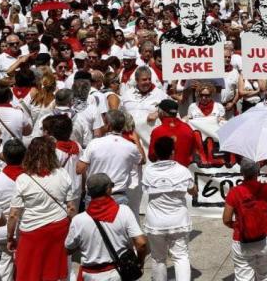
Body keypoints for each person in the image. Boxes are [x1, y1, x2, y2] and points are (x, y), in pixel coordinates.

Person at [7, 136, 75, 281]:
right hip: (59, 227)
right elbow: (71, 207)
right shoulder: (63, 174)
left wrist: (10, 236)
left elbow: (13, 214)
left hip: (32, 231)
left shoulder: (23, 179)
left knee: (30, 272)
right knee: (53, 272)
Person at [66, 173, 148, 281]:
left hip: (90, 275)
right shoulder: (124, 211)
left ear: (89, 193)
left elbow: (69, 249)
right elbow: (141, 243)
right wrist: (140, 262)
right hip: (117, 273)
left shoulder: (78, 220)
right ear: (108, 190)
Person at [222, 157, 267, 281]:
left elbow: (226, 219)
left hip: (242, 241)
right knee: (266, 276)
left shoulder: (234, 192)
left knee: (243, 278)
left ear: (242, 173)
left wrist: (238, 226)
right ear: (257, 172)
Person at [143, 136, 197, 281]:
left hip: (155, 223)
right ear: (173, 152)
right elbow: (192, 190)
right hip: (178, 221)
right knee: (181, 257)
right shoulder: (183, 171)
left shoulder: (148, 171)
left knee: (158, 259)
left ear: (155, 152)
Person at [78, 109, 144, 205]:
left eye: (103, 123)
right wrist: (137, 140)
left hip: (95, 196)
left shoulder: (94, 144)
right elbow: (142, 160)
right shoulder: (130, 147)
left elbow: (80, 169)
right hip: (118, 196)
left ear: (108, 125)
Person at [0, 139, 25, 281]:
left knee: (4, 266)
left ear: (5, 157)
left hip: (1, 228)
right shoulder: (31, 178)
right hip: (25, 227)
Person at [161, 0, 226, 45]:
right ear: (178, 11)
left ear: (203, 10)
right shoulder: (167, 39)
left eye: (196, 5)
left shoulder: (218, 36)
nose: (191, 11)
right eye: (185, 6)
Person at [147, 99, 197, 167]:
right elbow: (193, 152)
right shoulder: (188, 129)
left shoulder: (157, 131)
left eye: (158, 110)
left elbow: (152, 157)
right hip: (183, 172)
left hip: (164, 172)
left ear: (162, 113)